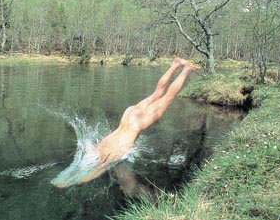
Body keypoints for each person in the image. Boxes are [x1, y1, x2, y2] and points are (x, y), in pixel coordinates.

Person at [51, 57, 200, 187]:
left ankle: (186, 69)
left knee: (167, 97)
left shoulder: (104, 155)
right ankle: (175, 64)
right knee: (158, 93)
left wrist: (76, 181)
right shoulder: (97, 149)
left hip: (136, 122)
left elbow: (96, 172)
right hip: (130, 114)